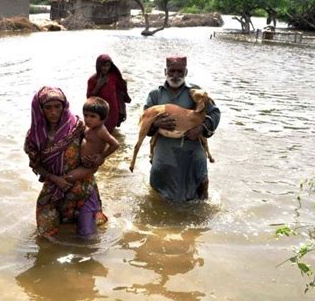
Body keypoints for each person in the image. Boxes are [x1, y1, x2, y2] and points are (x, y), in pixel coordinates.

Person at [24, 86, 108, 238]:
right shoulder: (34, 138)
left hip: (83, 186)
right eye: (48, 108)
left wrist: (94, 162)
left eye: (58, 107)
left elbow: (95, 161)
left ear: (64, 106)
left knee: (87, 237)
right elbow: (36, 165)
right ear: (39, 109)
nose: (53, 112)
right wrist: (56, 179)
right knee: (45, 236)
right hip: (54, 188)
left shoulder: (78, 128)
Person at [144, 56, 220, 202]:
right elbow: (144, 119)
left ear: (185, 72)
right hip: (165, 146)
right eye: (172, 71)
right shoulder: (155, 94)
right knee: (159, 187)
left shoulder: (196, 92)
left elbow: (214, 113)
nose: (175, 76)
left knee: (201, 185)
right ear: (165, 71)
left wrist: (201, 128)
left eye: (180, 71)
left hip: (192, 145)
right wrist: (155, 124)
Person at [65, 96, 119, 183]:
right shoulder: (88, 127)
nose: (87, 119)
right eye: (85, 115)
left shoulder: (101, 131)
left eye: (92, 116)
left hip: (89, 166)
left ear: (103, 119)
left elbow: (115, 144)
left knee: (69, 178)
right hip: (80, 161)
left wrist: (102, 156)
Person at [87, 54, 131, 132]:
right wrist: (98, 85)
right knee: (99, 134)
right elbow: (89, 98)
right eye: (103, 65)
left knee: (111, 132)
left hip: (113, 110)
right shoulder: (92, 80)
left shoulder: (113, 77)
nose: (105, 68)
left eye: (108, 65)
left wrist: (124, 84)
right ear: (98, 65)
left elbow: (121, 90)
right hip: (100, 112)